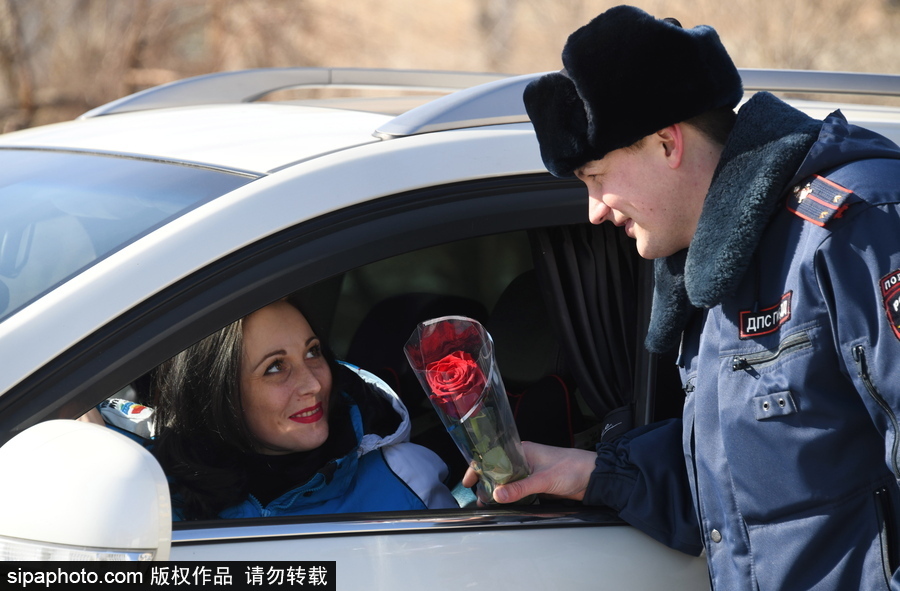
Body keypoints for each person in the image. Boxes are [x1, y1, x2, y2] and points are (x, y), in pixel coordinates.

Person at [462, 5, 900, 590]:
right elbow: (751, 491)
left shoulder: (856, 229)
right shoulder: (722, 267)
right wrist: (589, 473)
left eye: (595, 176)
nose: (593, 211)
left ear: (667, 143)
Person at [152, 299, 457, 520]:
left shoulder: (404, 481)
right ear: (218, 392)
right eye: (275, 367)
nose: (313, 383)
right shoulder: (151, 486)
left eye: (313, 352)